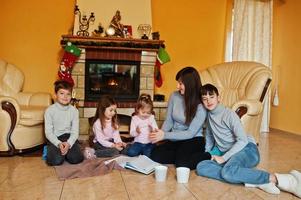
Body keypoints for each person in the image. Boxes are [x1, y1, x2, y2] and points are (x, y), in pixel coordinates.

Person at [196, 83, 301, 197]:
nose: (209, 101)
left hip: (246, 149)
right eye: (205, 99)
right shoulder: (209, 116)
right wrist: (208, 153)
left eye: (212, 97)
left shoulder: (229, 114)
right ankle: (254, 180)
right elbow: (210, 136)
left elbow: (242, 140)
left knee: (228, 172)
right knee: (201, 167)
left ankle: (281, 179)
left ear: (219, 98)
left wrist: (223, 158)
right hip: (226, 152)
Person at [149, 66, 211, 169]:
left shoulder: (201, 104)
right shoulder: (174, 96)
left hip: (193, 139)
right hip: (175, 138)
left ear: (189, 84)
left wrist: (165, 135)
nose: (177, 86)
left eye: (180, 83)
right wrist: (159, 135)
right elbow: (169, 120)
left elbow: (190, 133)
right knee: (155, 155)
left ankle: (208, 156)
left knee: (182, 165)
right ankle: (181, 155)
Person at [44, 80, 84, 166]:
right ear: (55, 95)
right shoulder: (49, 111)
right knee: (56, 161)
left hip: (69, 137)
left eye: (68, 94)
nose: (65, 96)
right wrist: (58, 143)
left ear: (71, 95)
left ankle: (68, 152)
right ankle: (51, 150)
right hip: (55, 137)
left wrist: (69, 143)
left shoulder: (74, 111)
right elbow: (48, 132)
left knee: (76, 159)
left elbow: (75, 131)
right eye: (62, 93)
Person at [126, 93, 158, 157]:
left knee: (149, 155)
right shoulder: (135, 119)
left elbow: (156, 130)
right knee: (131, 153)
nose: (146, 114)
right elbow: (131, 133)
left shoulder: (151, 118)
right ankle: (130, 146)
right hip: (138, 142)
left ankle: (143, 151)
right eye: (143, 112)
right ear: (138, 109)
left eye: (148, 112)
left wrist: (152, 130)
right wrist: (136, 132)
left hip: (149, 143)